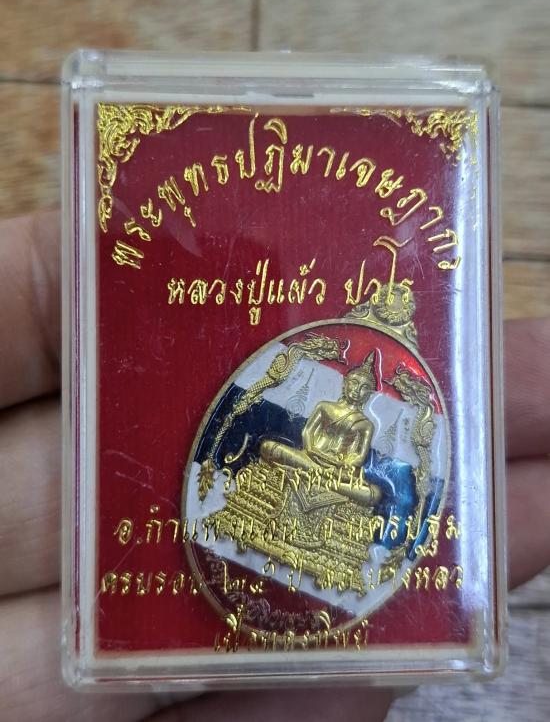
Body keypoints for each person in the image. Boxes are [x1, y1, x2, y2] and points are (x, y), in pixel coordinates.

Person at [0, 211, 549, 721]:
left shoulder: (361, 421)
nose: (354, 393)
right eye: (352, 387)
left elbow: (355, 459)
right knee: (273, 452)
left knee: (362, 494)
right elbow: (307, 439)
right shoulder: (329, 407)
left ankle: (318, 549)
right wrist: (313, 460)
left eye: (361, 391)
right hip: (302, 464)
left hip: (336, 482)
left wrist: (335, 471)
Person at [260, 351, 382, 506]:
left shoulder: (366, 425)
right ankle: (325, 481)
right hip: (309, 458)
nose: (357, 390)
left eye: (364, 387)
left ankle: (317, 478)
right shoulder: (324, 406)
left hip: (337, 470)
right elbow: (307, 432)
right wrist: (311, 450)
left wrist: (344, 464)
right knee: (269, 447)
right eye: (354, 382)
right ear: (345, 383)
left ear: (369, 394)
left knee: (375, 493)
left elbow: (359, 456)